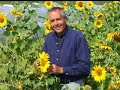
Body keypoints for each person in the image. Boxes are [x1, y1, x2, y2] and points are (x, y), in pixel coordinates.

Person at [42, 7, 90, 90]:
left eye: (58, 19)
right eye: (52, 21)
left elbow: (85, 67)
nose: (56, 23)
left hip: (73, 82)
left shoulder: (77, 37)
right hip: (53, 82)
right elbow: (43, 59)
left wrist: (62, 70)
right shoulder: (49, 38)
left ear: (65, 19)